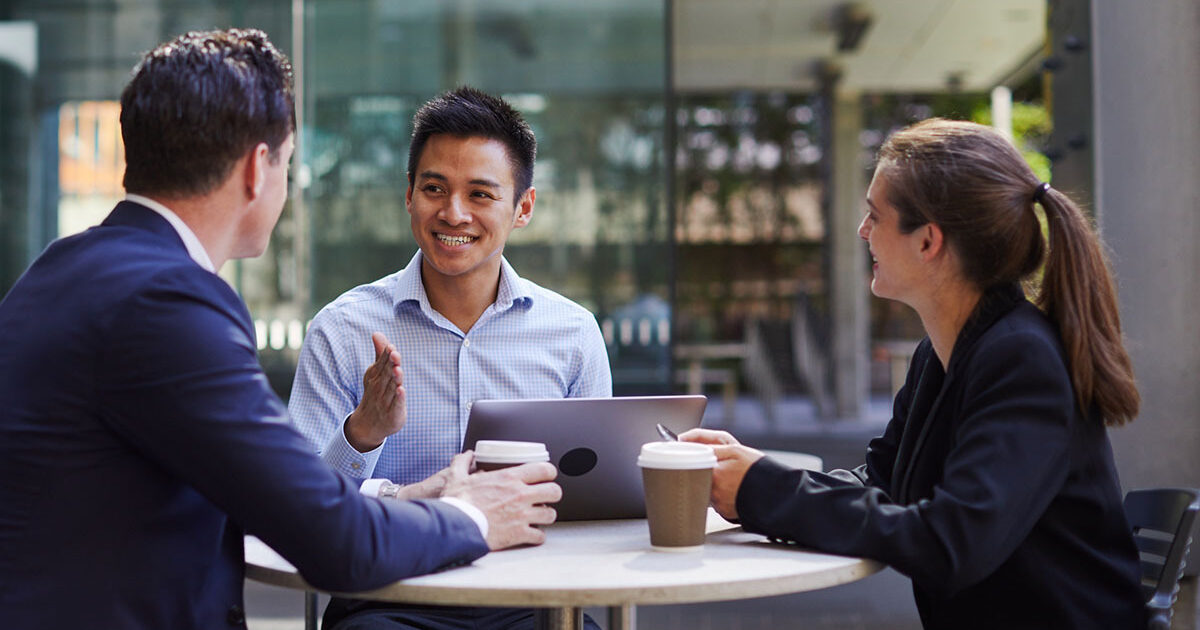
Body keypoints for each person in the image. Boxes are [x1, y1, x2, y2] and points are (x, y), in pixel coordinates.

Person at [0, 30, 560, 630]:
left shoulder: (57, 271)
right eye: (290, 164)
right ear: (256, 168)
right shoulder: (169, 303)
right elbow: (330, 539)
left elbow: (265, 492)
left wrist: (413, 496)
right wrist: (473, 515)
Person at [682, 118, 1147, 629]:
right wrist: (751, 474)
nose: (863, 232)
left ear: (928, 241)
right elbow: (884, 482)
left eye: (874, 216)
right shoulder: (942, 353)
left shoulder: (1023, 358)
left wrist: (764, 491)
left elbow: (951, 545)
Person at [288, 87, 612, 629]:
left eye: (480, 194)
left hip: (530, 599)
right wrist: (361, 433)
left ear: (523, 208)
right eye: (434, 188)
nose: (453, 213)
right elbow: (298, 509)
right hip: (388, 600)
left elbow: (598, 499)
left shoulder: (572, 334)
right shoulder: (343, 331)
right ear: (409, 195)